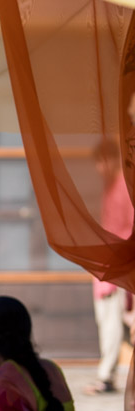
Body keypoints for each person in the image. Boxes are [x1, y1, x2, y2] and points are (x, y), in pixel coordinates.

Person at [85, 139, 133, 395]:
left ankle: (106, 376)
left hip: (117, 267)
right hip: (107, 267)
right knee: (113, 323)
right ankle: (107, 375)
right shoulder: (110, 186)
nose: (100, 167)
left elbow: (126, 231)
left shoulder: (123, 188)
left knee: (114, 324)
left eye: (104, 161)